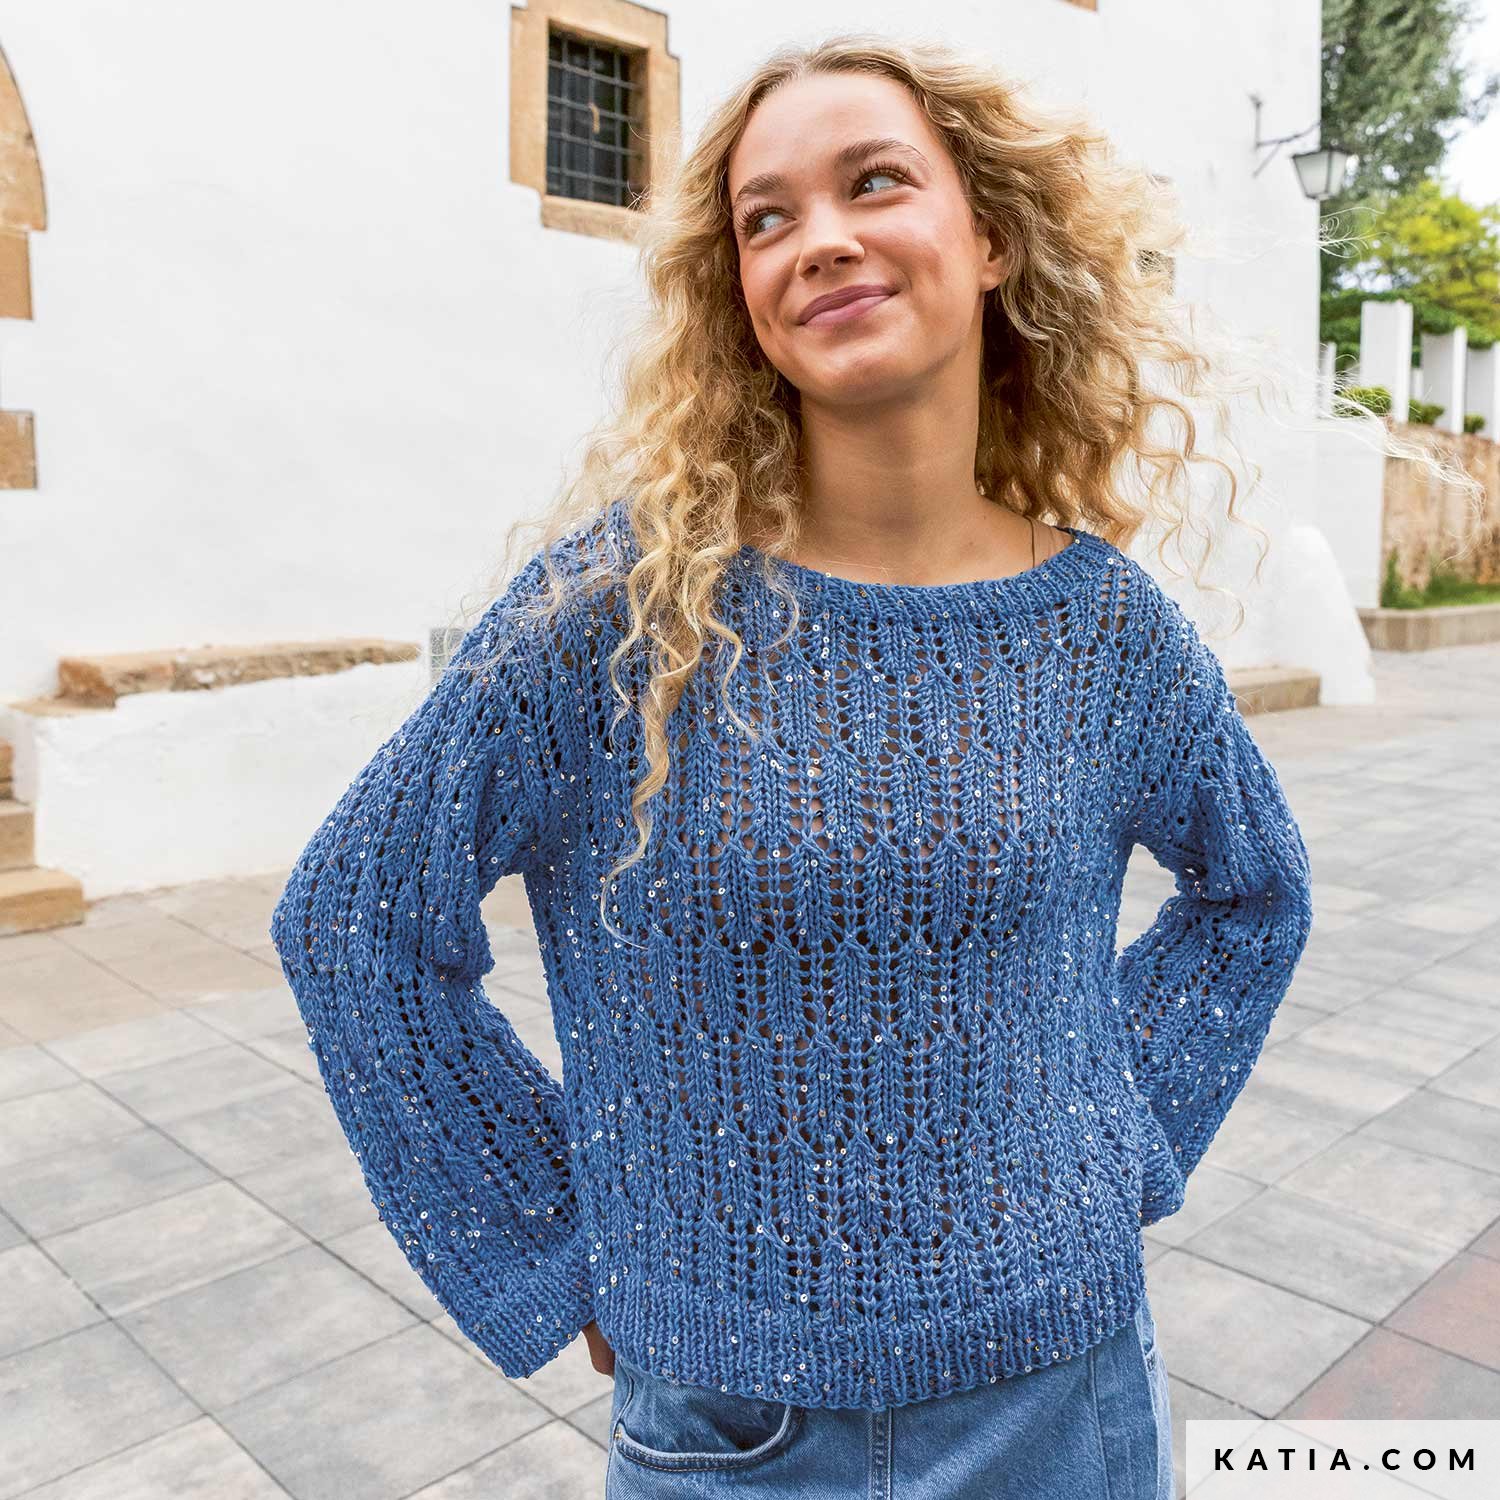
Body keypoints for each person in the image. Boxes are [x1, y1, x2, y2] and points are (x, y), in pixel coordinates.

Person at [270, 32, 1320, 1500]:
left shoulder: (1103, 631)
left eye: (874, 182)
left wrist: (1120, 1142)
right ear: (741, 296)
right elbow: (354, 918)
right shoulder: (618, 618)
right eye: (766, 218)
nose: (819, 239)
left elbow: (1254, 893)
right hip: (729, 1433)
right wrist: (553, 1239)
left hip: (1060, 1403)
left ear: (992, 238)